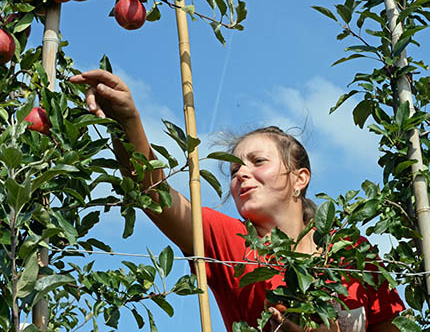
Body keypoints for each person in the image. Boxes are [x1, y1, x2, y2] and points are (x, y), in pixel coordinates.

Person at [69, 69, 404, 332]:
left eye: (258, 162)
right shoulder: (229, 242)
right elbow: (153, 192)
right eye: (233, 170)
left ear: (300, 178)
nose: (241, 174)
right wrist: (127, 122)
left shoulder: (350, 251)